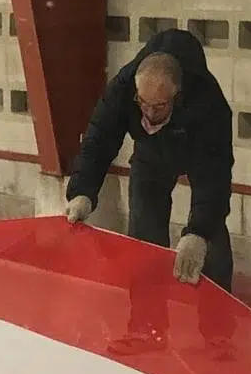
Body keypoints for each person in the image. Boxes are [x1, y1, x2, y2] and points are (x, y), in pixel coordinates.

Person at [65, 29, 235, 288]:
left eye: (159, 106)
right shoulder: (123, 87)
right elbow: (98, 140)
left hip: (196, 150)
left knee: (209, 243)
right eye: (143, 103)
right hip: (150, 155)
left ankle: (218, 315)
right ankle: (147, 314)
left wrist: (199, 232)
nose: (149, 111)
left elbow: (216, 175)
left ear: (177, 96)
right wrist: (82, 192)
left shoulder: (208, 103)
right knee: (144, 236)